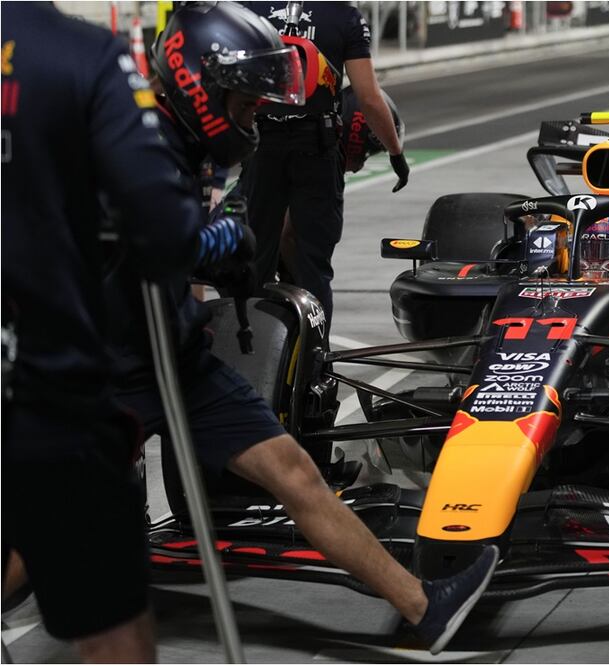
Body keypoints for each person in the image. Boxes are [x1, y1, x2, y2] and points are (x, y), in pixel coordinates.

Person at [107, 3, 494, 654]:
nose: (257, 114)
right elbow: (139, 245)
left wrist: (199, 291)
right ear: (202, 84)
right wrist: (214, 243)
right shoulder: (132, 141)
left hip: (176, 353)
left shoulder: (187, 141)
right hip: (112, 360)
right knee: (69, 519)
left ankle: (424, 608)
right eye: (248, 101)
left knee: (294, 470)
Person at [1, 2, 254, 661]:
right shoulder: (83, 54)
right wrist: (224, 236)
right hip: (42, 387)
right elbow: (163, 232)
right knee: (114, 631)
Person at [238, 0, 409, 329]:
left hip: (262, 145)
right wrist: (395, 151)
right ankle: (316, 364)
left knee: (255, 259)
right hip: (316, 147)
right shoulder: (342, 15)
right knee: (314, 267)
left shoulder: (249, 7)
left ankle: (252, 352)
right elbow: (368, 97)